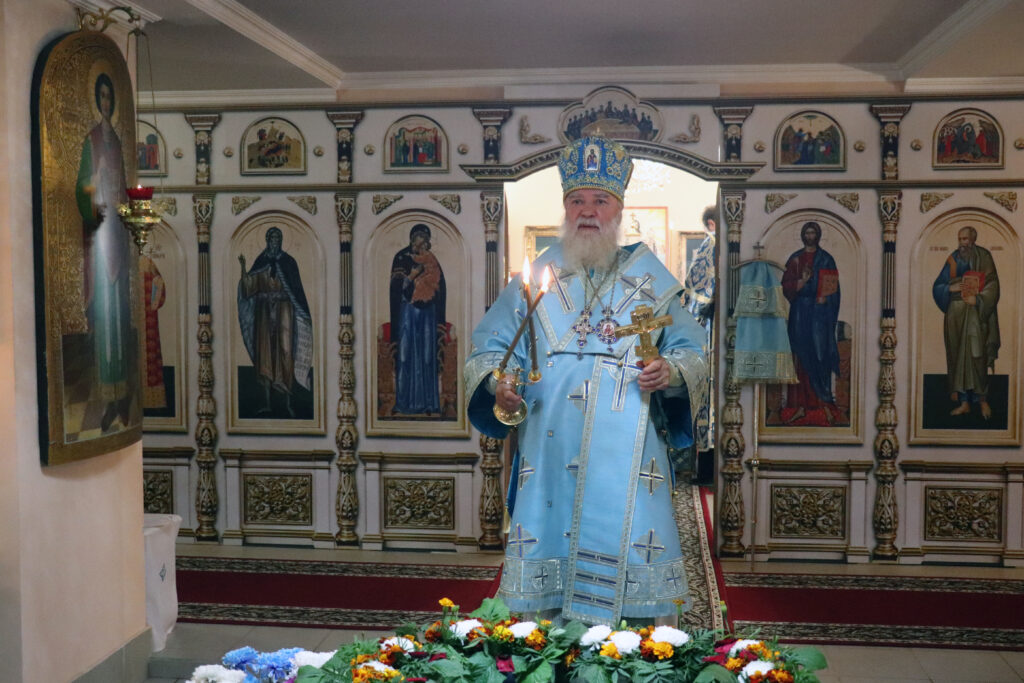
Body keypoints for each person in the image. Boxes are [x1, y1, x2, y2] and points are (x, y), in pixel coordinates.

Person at [464, 136, 708, 626]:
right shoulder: (536, 277)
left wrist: (671, 371)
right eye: (577, 201)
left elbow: (692, 351)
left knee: (631, 550)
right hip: (549, 444)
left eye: (600, 200)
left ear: (618, 209)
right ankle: (544, 645)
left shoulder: (651, 280)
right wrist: (497, 382)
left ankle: (632, 647)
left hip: (630, 445)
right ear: (565, 208)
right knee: (548, 551)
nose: (588, 211)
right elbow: (489, 347)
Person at [75, 72, 137, 432]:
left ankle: (123, 396)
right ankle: (108, 397)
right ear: (97, 101)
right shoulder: (92, 140)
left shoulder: (117, 142)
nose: (106, 102)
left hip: (119, 233)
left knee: (121, 315)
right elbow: (81, 187)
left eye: (109, 97)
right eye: (101, 96)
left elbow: (127, 190)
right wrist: (94, 183)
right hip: (101, 234)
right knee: (105, 317)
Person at [237, 227, 313, 417]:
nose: (275, 241)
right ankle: (267, 403)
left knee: (285, 353)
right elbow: (249, 289)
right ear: (267, 240)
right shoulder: (261, 261)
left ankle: (287, 403)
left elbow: (297, 291)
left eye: (278, 238)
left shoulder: (289, 262)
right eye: (272, 238)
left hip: (284, 313)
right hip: (263, 314)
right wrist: (243, 269)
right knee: (265, 355)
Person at [932, 225, 1000, 419]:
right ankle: (964, 402)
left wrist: (977, 300)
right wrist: (949, 289)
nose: (962, 243)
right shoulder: (952, 259)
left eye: (965, 239)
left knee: (977, 354)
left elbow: (993, 285)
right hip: (955, 315)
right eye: (960, 239)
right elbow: (937, 286)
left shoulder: (984, 257)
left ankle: (982, 400)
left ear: (973, 240)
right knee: (957, 356)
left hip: (975, 313)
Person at [780, 221, 842, 425]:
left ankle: (823, 403)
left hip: (820, 316)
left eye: (812, 232)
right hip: (800, 313)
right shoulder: (795, 259)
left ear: (818, 235)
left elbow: (833, 286)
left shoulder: (826, 259)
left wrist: (826, 297)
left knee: (820, 355)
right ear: (802, 235)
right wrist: (803, 281)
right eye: (806, 232)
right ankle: (800, 405)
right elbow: (786, 286)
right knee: (801, 356)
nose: (809, 236)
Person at [389, 223, 446, 416]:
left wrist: (440, 318)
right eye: (418, 240)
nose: (420, 244)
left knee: (427, 355)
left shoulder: (431, 259)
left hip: (427, 313)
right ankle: (403, 403)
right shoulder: (401, 258)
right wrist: (411, 278)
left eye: (424, 241)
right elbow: (396, 288)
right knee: (405, 355)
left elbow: (440, 289)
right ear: (413, 239)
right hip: (407, 312)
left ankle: (429, 403)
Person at [682, 205, 717, 458]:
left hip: (712, 329)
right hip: (714, 330)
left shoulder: (714, 244)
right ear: (713, 224)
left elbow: (695, 297)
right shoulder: (713, 243)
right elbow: (698, 293)